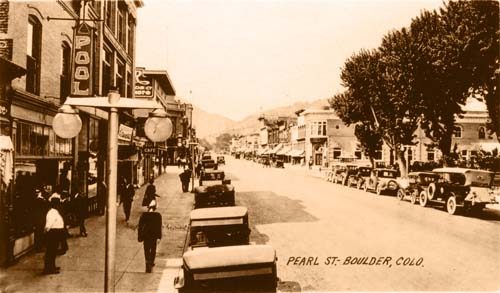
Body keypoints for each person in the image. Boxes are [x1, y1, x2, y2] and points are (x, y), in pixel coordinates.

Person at [137, 200, 162, 273]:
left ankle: (147, 261)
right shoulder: (158, 215)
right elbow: (159, 227)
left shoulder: (144, 215)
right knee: (153, 250)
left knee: (146, 250)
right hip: (154, 236)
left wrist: (140, 236)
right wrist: (159, 237)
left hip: (146, 236)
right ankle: (151, 261)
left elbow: (140, 227)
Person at [44, 198, 65, 274]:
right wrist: (46, 231)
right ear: (55, 204)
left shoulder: (54, 211)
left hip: (55, 233)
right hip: (53, 233)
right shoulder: (52, 212)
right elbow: (49, 224)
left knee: (53, 251)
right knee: (51, 251)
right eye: (58, 203)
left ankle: (52, 266)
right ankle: (48, 269)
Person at [34, 188, 48, 252]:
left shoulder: (36, 200)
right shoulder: (41, 200)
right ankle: (39, 246)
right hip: (41, 219)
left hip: (38, 219)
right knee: (40, 233)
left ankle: (37, 246)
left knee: (37, 233)